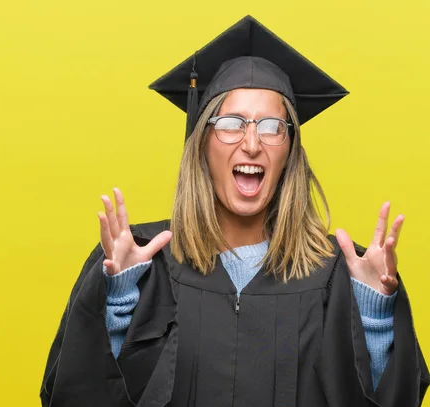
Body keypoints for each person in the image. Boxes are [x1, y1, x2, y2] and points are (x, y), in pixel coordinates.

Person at [40, 15, 429, 407]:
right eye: (231, 123)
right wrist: (118, 301)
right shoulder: (142, 266)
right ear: (202, 143)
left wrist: (375, 316)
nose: (251, 143)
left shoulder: (336, 276)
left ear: (290, 150)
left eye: (272, 126)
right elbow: (74, 394)